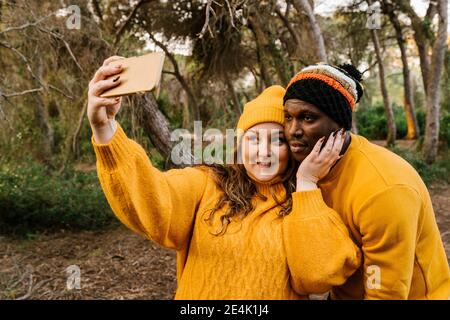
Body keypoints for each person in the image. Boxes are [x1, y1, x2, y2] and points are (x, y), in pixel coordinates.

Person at [86, 56, 361, 299]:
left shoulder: (308, 201)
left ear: (291, 147)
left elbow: (317, 276)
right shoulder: (208, 183)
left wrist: (307, 185)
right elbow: (152, 199)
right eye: (254, 139)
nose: (263, 151)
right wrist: (104, 128)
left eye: (277, 140)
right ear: (240, 145)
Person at [283, 62, 450, 299]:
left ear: (340, 124)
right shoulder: (308, 169)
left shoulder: (383, 190)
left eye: (308, 118)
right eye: (287, 117)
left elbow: (386, 294)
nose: (293, 130)